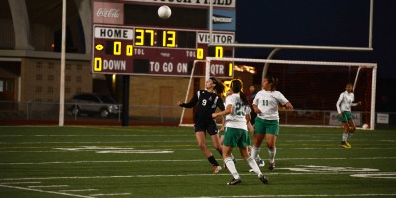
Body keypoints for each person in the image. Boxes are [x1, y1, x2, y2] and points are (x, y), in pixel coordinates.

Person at [212, 79, 269, 185]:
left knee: (226, 155)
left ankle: (236, 177)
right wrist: (242, 124)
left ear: (232, 87)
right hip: (243, 128)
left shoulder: (231, 97)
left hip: (233, 127)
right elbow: (248, 116)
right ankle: (260, 174)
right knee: (246, 155)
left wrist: (217, 114)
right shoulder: (244, 98)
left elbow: (229, 110)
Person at [177, 77, 225, 174]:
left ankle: (228, 158)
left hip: (210, 122)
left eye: (208, 81)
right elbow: (191, 104)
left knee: (217, 146)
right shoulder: (200, 93)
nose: (206, 82)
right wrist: (183, 104)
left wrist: (220, 118)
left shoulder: (216, 97)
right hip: (199, 122)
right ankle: (216, 165)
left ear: (213, 85)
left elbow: (224, 110)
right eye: (206, 81)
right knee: (201, 145)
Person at [250, 76, 293, 171]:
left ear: (270, 84)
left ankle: (271, 161)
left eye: (265, 81)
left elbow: (285, 102)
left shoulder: (277, 94)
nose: (262, 82)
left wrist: (288, 105)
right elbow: (254, 103)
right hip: (260, 120)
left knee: (270, 144)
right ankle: (253, 164)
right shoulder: (259, 93)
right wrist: (255, 108)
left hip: (272, 122)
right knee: (256, 143)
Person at [336, 83, 361, 149]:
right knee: (346, 128)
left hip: (348, 112)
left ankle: (345, 140)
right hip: (343, 112)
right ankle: (343, 143)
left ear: (352, 88)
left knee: (353, 128)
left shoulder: (352, 95)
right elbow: (337, 104)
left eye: (350, 87)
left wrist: (356, 104)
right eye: (348, 87)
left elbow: (350, 104)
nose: (349, 88)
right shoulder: (343, 94)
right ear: (346, 88)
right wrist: (339, 112)